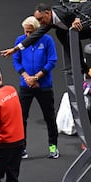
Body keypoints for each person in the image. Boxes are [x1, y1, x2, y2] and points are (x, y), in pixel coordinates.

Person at [0, 1, 91, 73]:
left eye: (40, 19)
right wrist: (15, 49)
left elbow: (88, 4)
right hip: (83, 27)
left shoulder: (64, 12)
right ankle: (79, 66)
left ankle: (79, 66)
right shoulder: (49, 21)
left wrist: (78, 19)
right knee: (62, 33)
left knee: (70, 32)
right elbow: (35, 36)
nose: (39, 22)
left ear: (48, 13)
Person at [12, 16, 59, 159]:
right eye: (26, 32)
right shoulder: (20, 41)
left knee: (49, 117)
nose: (27, 35)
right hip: (26, 85)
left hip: (43, 85)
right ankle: (22, 148)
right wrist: (27, 77)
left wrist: (37, 77)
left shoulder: (47, 40)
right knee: (21, 117)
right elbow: (16, 61)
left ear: (37, 30)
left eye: (31, 32)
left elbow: (52, 61)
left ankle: (53, 147)